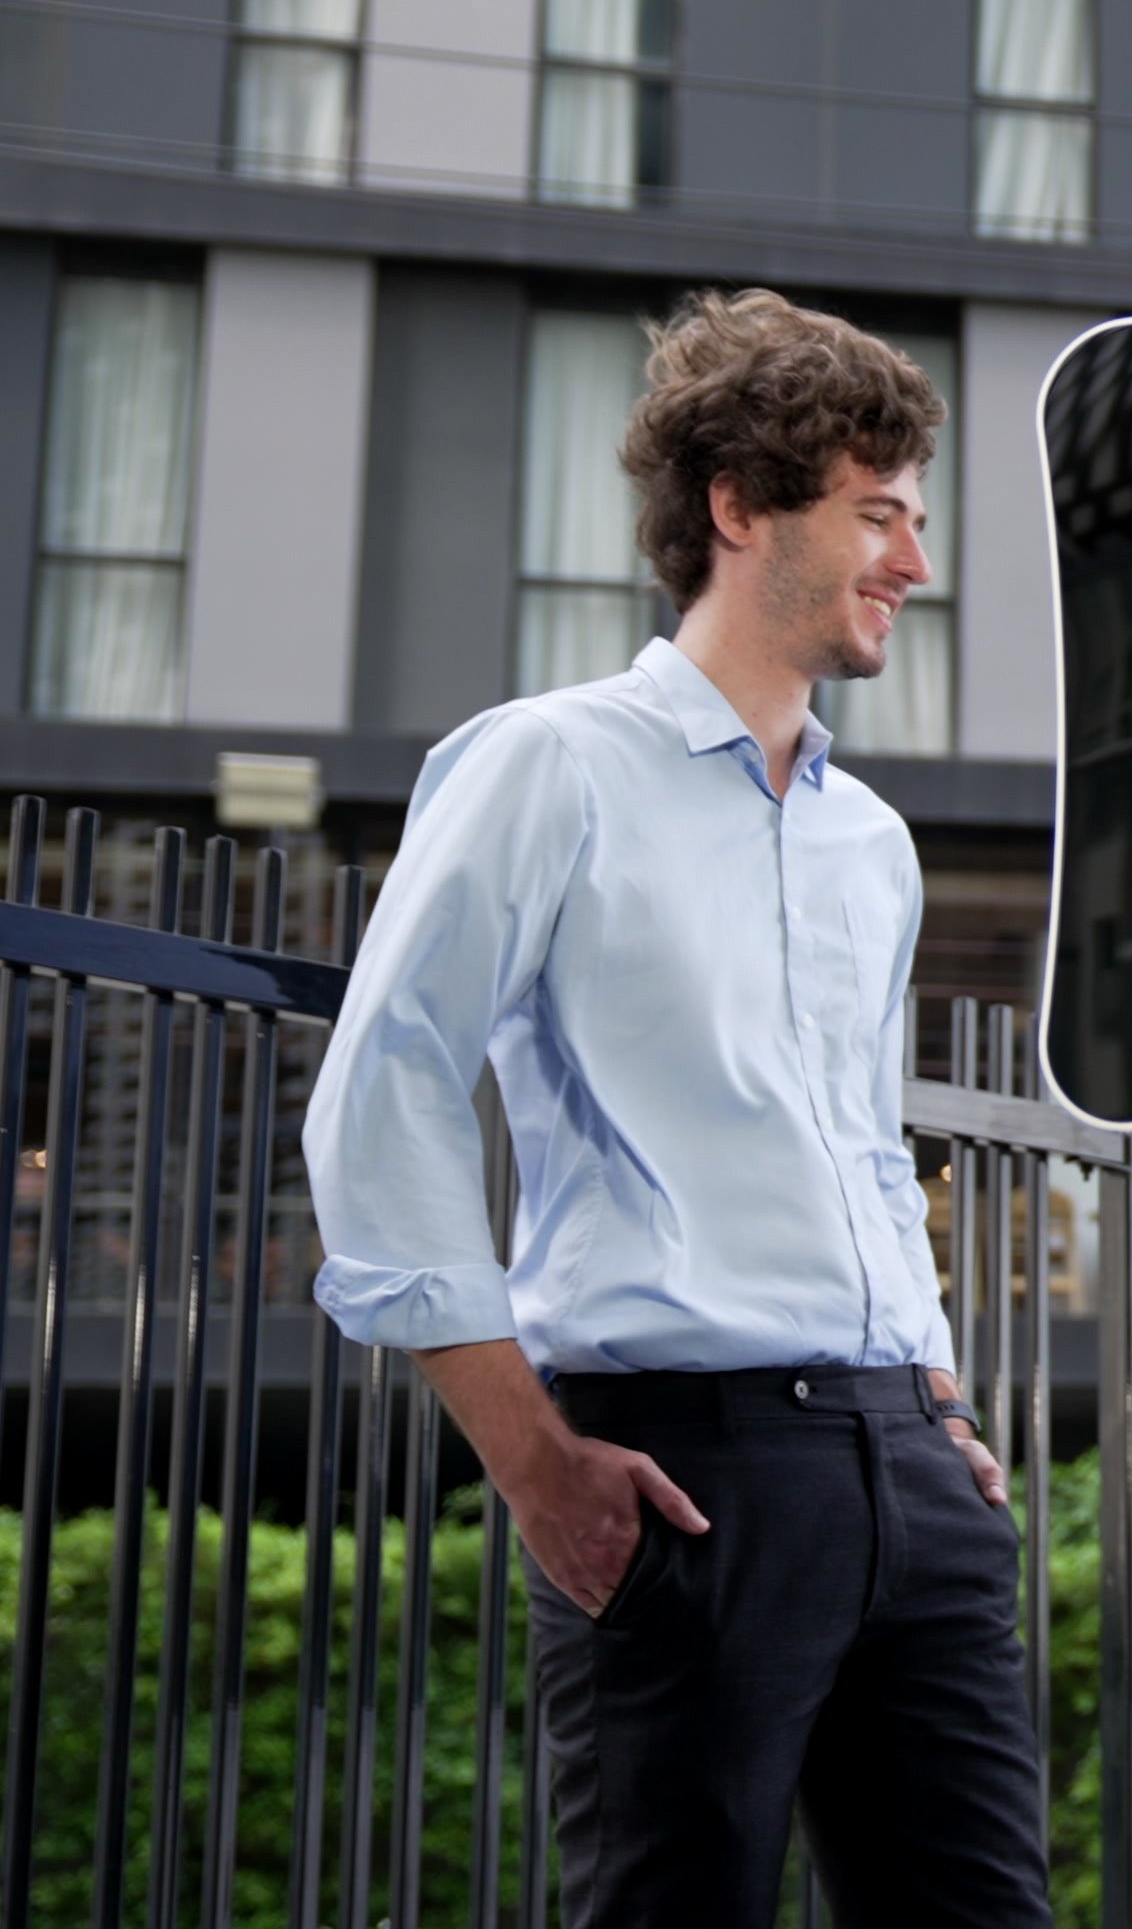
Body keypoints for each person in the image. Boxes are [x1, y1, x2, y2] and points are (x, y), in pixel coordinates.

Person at [305, 289, 1048, 1926]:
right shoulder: (549, 767)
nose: (911, 565)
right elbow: (388, 1090)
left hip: (905, 1472)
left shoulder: (874, 843)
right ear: (737, 505)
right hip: (688, 1475)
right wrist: (535, 1461)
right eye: (876, 517)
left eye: (914, 522)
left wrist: (935, 1400)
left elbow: (857, 1141)